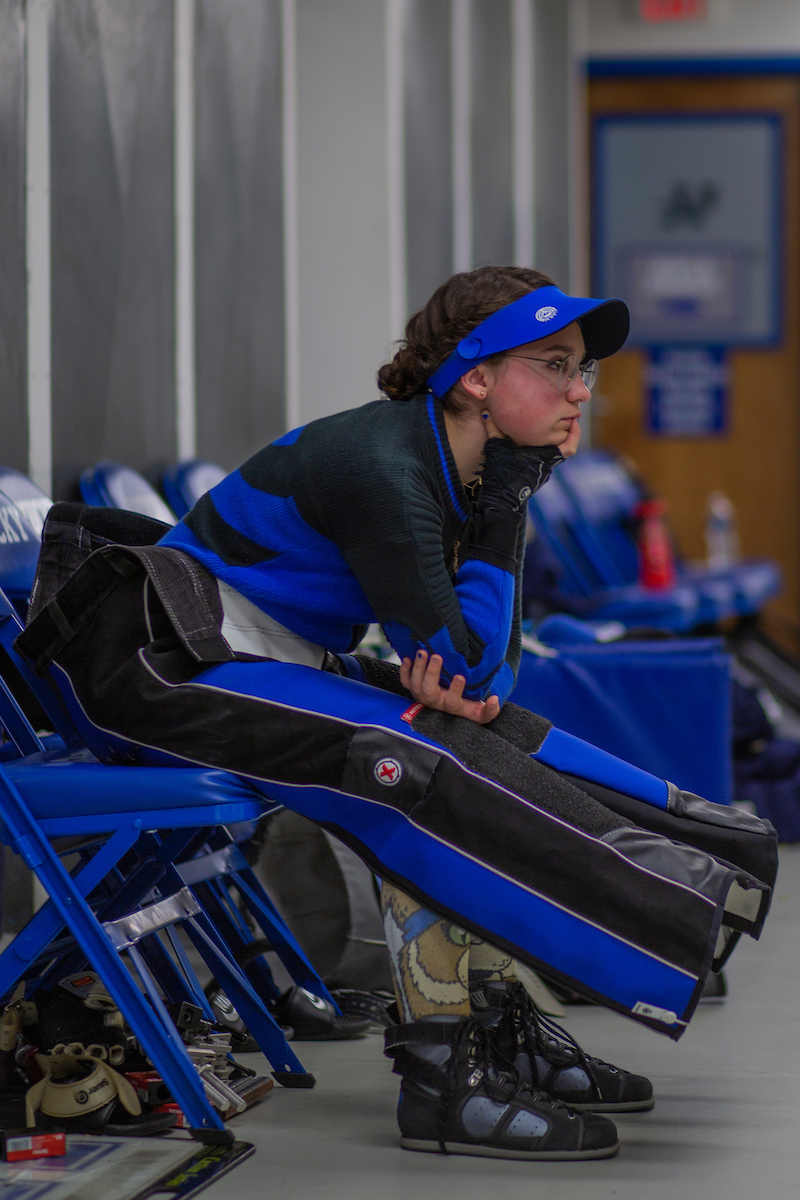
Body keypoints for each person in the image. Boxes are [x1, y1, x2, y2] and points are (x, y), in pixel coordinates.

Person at [18, 266, 774, 1163]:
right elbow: (462, 659)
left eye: (584, 371)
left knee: (477, 733)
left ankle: (503, 1026)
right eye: (556, 365)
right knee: (401, 762)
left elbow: (489, 677)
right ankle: (443, 1079)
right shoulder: (384, 464)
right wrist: (496, 538)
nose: (580, 392)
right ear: (478, 378)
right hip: (155, 658)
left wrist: (500, 523)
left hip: (266, 655)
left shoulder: (489, 471)